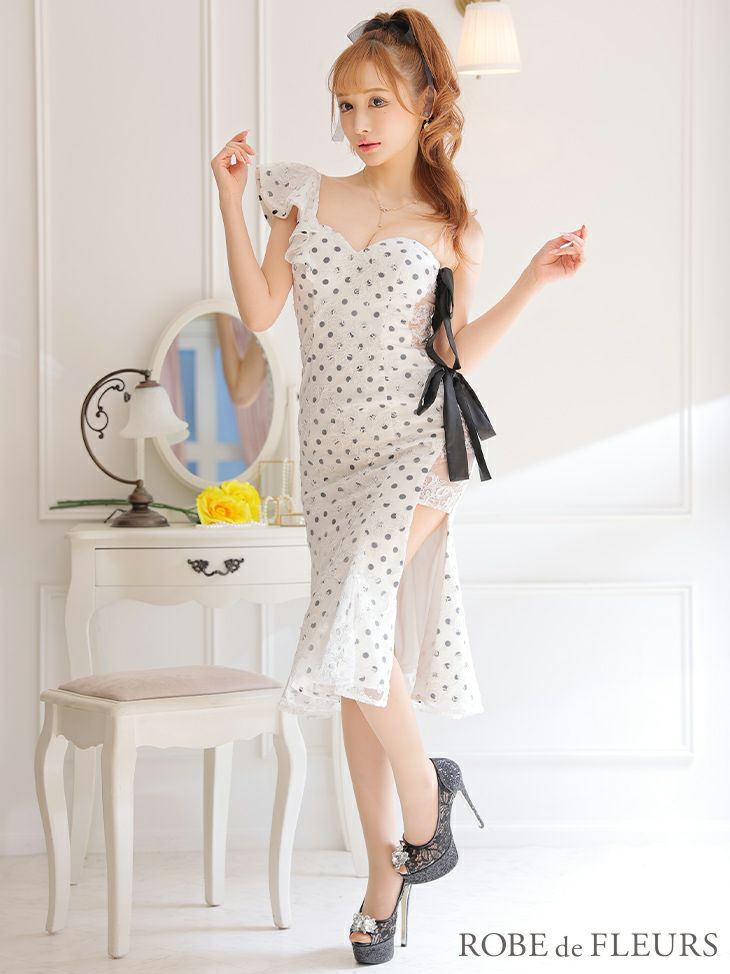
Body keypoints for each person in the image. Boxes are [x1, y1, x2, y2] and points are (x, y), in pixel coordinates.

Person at [211, 8, 586, 965]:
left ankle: (426, 807)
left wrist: (533, 282)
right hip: (330, 459)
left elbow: (452, 359)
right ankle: (385, 879)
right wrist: (230, 199)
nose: (359, 123)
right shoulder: (300, 195)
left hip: (419, 452)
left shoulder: (451, 228)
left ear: (425, 105)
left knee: (352, 627)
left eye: (377, 101)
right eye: (345, 105)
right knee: (356, 663)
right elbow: (259, 312)